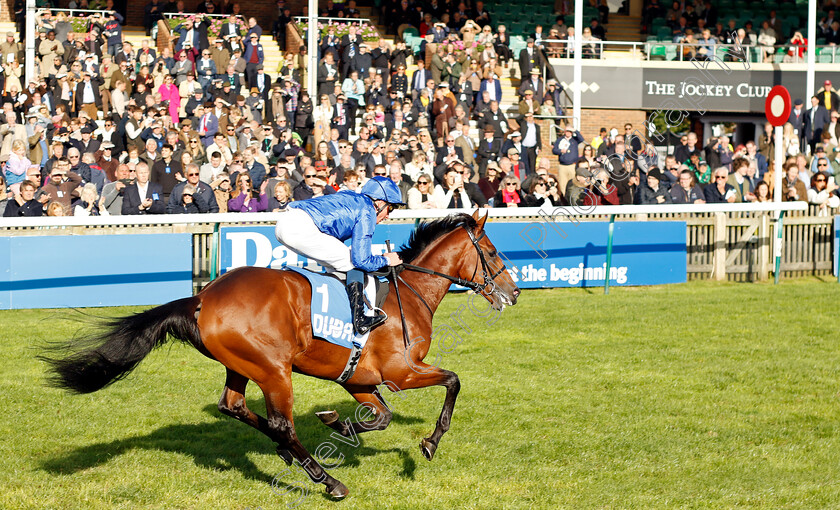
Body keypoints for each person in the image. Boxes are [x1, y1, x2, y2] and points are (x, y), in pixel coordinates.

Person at [274, 175, 405, 335]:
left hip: (288, 222)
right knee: (350, 262)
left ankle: (332, 315)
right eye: (390, 208)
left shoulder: (353, 197)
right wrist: (386, 260)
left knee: (338, 264)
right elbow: (361, 260)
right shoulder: (368, 210)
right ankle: (360, 320)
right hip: (300, 226)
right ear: (379, 203)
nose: (388, 215)